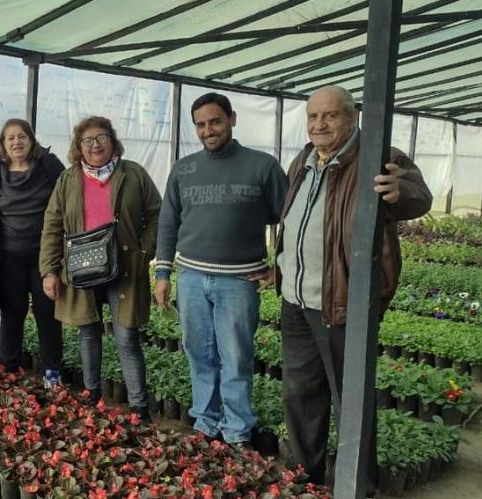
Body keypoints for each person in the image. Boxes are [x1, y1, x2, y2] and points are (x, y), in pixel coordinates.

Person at [276, 85, 433, 488]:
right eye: (313, 117)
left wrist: (401, 193)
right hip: (297, 300)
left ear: (353, 117)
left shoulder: (378, 157)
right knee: (300, 395)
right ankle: (306, 477)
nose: (319, 124)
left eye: (330, 115)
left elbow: (418, 196)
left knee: (352, 402)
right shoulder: (304, 160)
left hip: (344, 303)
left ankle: (355, 485)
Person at [153, 93, 288, 446]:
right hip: (192, 277)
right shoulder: (184, 169)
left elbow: (288, 219)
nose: (207, 130)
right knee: (199, 353)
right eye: (200, 124)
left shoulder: (263, 166)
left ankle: (237, 430)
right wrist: (163, 274)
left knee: (236, 356)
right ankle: (206, 421)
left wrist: (281, 266)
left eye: (215, 121)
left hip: (239, 280)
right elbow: (168, 222)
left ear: (231, 119)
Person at [39, 116, 161, 420]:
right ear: (79, 146)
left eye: (101, 138)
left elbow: (158, 214)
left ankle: (138, 406)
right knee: (88, 333)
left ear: (113, 140)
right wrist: (50, 270)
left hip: (125, 268)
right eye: (88, 140)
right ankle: (91, 394)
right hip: (82, 269)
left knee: (126, 338)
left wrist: (144, 250)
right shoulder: (68, 179)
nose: (95, 145)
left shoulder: (133, 174)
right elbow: (52, 226)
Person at [0, 119, 63, 382]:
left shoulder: (49, 167)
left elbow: (68, 205)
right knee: (11, 312)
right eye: (10, 138)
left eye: (22, 137)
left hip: (45, 258)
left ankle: (52, 371)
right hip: (7, 257)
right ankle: (10, 367)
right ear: (3, 144)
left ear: (31, 140)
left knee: (47, 313)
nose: (17, 142)